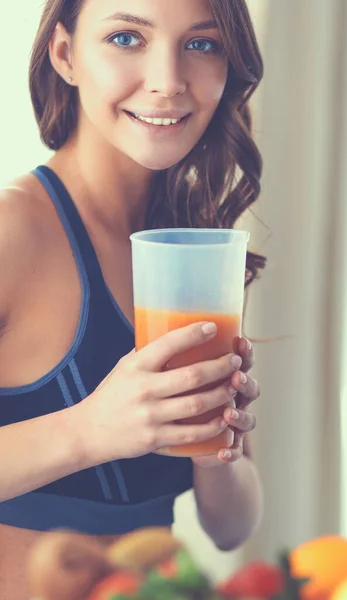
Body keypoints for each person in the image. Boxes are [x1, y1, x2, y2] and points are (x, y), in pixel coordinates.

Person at [0, 0, 266, 597]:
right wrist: (92, 430)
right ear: (65, 54)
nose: (168, 82)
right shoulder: (11, 232)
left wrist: (214, 446)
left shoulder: (191, 254)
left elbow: (233, 525)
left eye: (202, 44)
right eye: (126, 38)